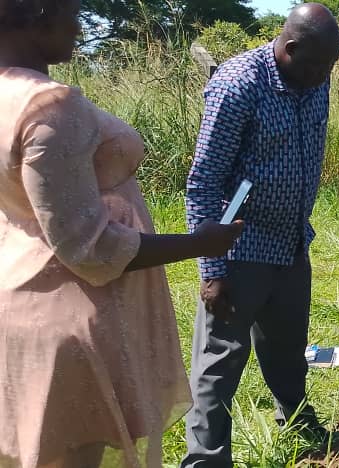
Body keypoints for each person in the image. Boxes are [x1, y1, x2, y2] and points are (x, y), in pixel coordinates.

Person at [0, 0, 243, 466]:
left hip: (20, 295)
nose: (79, 27)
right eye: (72, 13)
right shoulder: (50, 105)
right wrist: (200, 244)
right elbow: (88, 247)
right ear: (39, 16)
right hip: (69, 316)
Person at [181, 4, 339, 466]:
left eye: (328, 67)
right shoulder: (238, 85)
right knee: (220, 361)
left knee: (288, 348)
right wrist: (212, 271)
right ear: (290, 49)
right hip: (240, 251)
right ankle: (206, 458)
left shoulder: (315, 77)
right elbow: (204, 180)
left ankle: (294, 419)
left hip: (292, 244)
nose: (323, 77)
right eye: (317, 66)